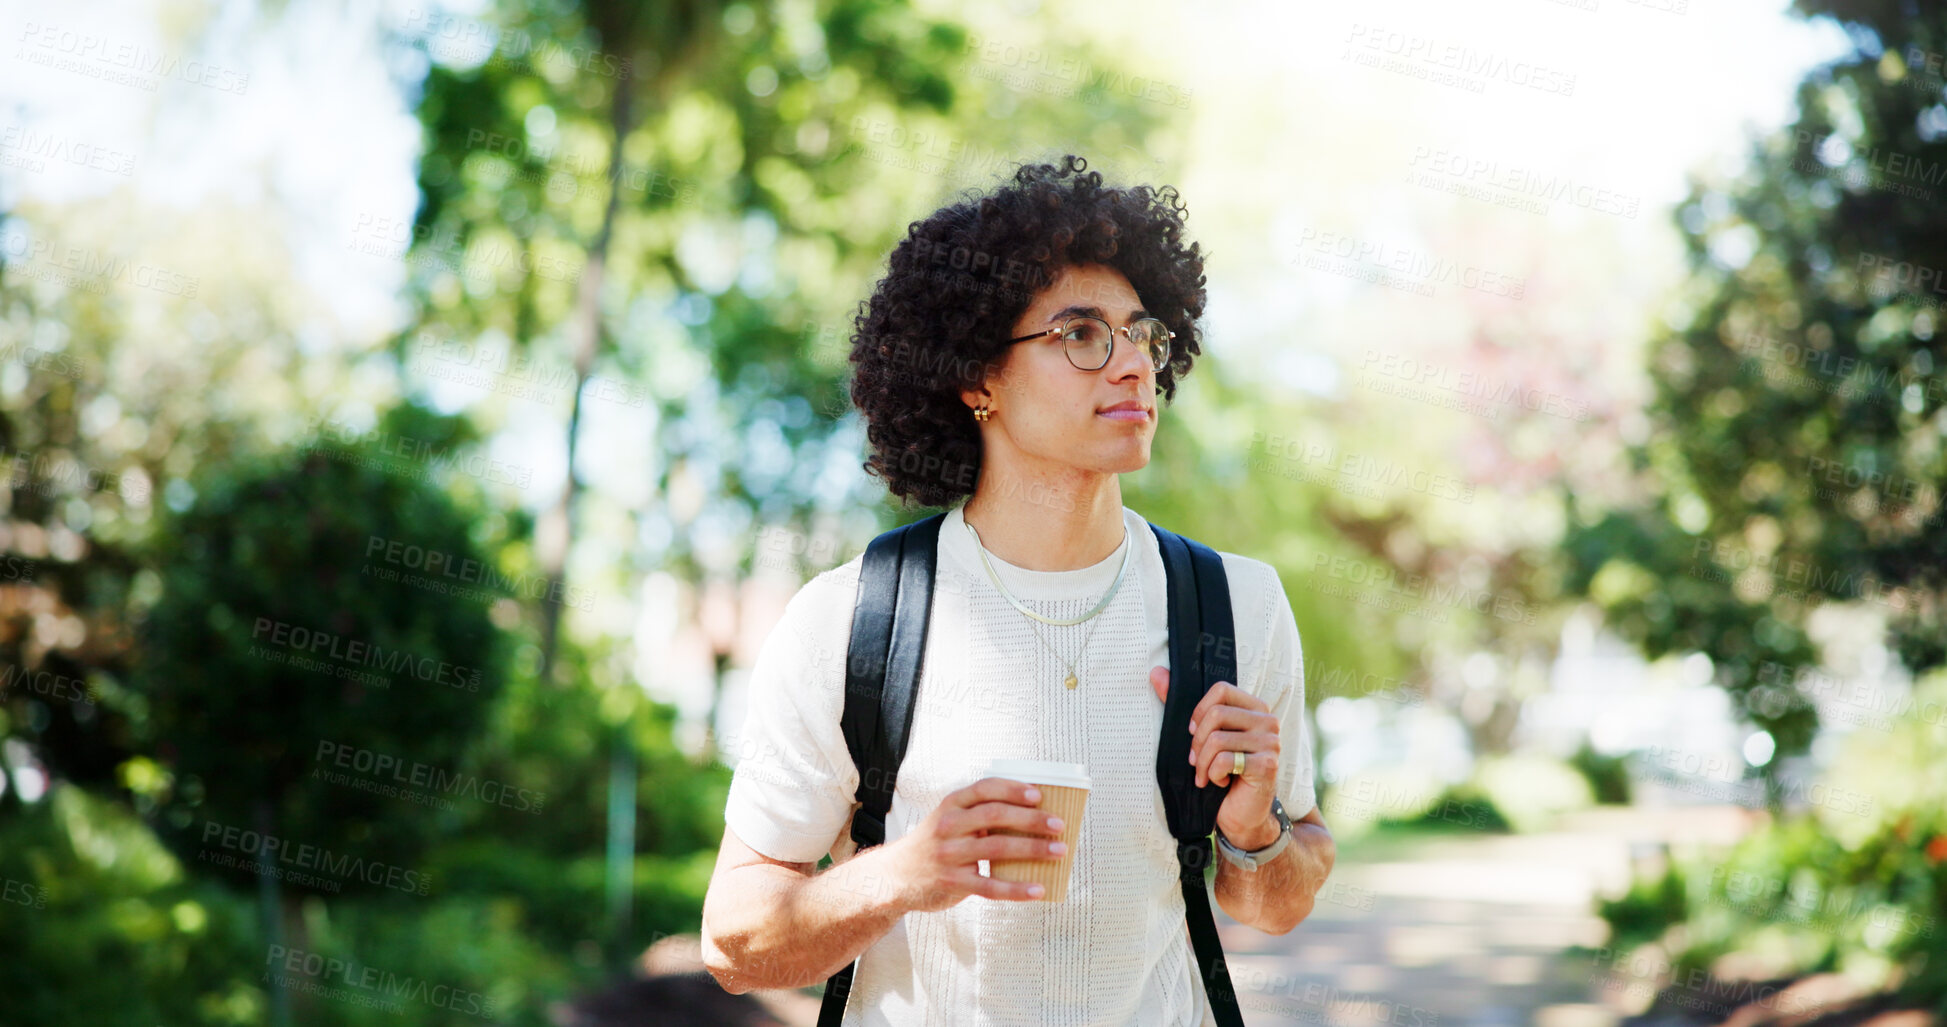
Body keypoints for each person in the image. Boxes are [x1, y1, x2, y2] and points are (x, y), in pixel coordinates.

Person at [700, 155, 1335, 1026]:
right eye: (1079, 334)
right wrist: (907, 871)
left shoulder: (1235, 606)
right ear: (976, 378)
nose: (1130, 366)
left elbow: (1277, 904)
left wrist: (1254, 831)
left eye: (1141, 333)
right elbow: (733, 944)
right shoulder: (849, 622)